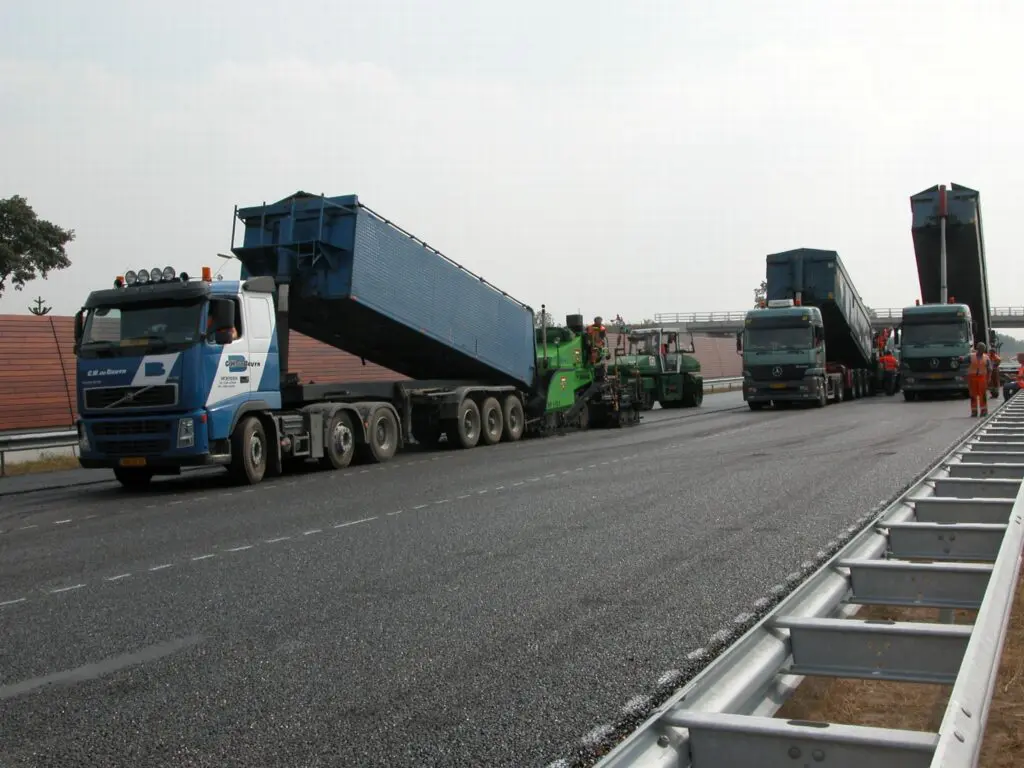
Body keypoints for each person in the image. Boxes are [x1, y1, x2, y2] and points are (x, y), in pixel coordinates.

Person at [965, 341, 993, 417]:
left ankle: (984, 411)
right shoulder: (970, 356)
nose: (982, 350)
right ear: (977, 348)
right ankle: (974, 411)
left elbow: (990, 369)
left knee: (982, 395)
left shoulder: (986, 357)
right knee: (973, 395)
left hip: (982, 378)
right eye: (980, 348)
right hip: (972, 378)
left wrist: (989, 378)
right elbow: (963, 361)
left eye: (983, 349)